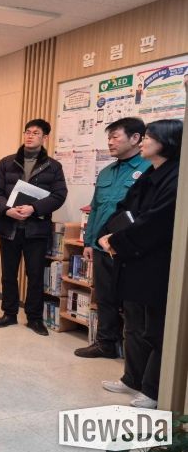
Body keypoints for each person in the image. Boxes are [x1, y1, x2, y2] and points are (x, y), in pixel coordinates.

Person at [99, 119, 182, 409]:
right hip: (132, 260)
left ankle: (153, 389)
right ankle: (132, 378)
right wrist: (107, 235)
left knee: (156, 330)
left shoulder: (177, 177)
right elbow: (125, 207)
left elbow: (155, 222)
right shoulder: (149, 173)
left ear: (166, 142)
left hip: (155, 263)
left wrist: (116, 241)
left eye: (149, 137)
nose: (143, 141)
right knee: (133, 324)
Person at [74, 118, 150, 358]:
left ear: (135, 138)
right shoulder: (107, 171)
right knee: (105, 297)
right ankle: (106, 344)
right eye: (109, 137)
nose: (110, 142)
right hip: (101, 247)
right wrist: (89, 242)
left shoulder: (149, 169)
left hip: (130, 249)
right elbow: (96, 208)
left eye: (115, 137)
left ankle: (134, 354)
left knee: (131, 302)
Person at [0, 119, 67, 335]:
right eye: (27, 132)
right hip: (9, 227)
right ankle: (9, 313)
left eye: (35, 133)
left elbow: (59, 195)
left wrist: (34, 208)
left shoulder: (54, 166)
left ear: (45, 138)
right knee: (8, 274)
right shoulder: (7, 163)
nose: (30, 136)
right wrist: (6, 210)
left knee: (35, 275)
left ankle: (34, 318)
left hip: (36, 229)